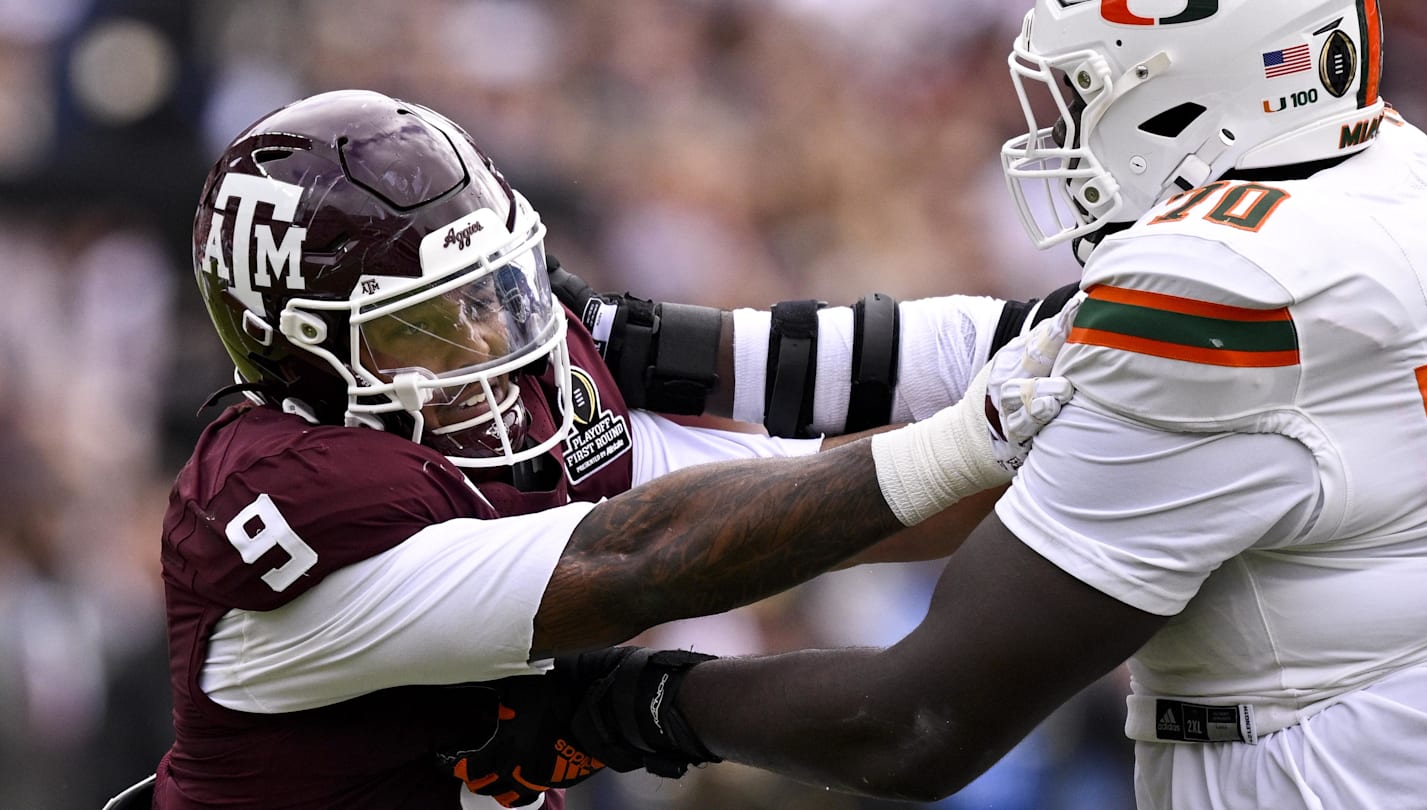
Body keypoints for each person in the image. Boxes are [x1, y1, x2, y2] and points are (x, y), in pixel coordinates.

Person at [487, 1, 1427, 808]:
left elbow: (917, 722)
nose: (1063, 133)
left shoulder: (1225, 291)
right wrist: (649, 343)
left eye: (1086, 95)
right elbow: (1027, 342)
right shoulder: (1377, 180)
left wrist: (617, 706)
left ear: (1193, 89)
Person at [119, 88, 1080, 810]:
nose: (487, 345)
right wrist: (977, 437)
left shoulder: (537, 410)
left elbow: (829, 503)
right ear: (304, 352)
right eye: (424, 327)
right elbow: (641, 559)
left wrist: (1087, 382)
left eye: (489, 295)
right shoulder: (295, 498)